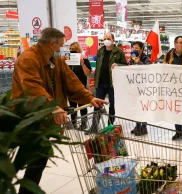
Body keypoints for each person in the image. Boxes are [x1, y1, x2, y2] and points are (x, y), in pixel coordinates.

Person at [11, 27, 108, 194]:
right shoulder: (28, 59)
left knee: (38, 161)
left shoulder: (56, 60)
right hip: (27, 119)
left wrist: (88, 97)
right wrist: (53, 106)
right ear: (51, 44)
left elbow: (72, 81)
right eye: (61, 45)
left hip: (45, 120)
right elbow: (32, 88)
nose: (63, 48)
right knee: (24, 161)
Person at [91, 33, 127, 130]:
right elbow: (98, 67)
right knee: (97, 104)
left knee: (112, 105)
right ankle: (94, 126)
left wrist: (118, 65)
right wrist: (96, 81)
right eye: (105, 39)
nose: (106, 40)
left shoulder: (119, 52)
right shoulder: (100, 51)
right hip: (101, 83)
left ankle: (110, 126)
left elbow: (126, 65)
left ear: (113, 40)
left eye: (108, 38)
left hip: (113, 84)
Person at [63, 42, 92, 130]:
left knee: (82, 106)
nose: (72, 51)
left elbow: (87, 73)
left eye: (74, 49)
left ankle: (83, 124)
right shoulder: (68, 59)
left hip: (81, 87)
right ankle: (73, 123)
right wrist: (63, 61)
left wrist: (82, 63)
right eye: (71, 49)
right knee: (72, 107)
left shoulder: (84, 59)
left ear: (78, 49)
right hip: (70, 87)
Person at [129, 41, 150, 136]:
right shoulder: (132, 59)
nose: (135, 50)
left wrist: (140, 63)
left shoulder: (146, 58)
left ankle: (144, 127)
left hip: (144, 88)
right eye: (134, 48)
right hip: (134, 87)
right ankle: (137, 126)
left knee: (143, 107)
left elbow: (148, 70)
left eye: (137, 48)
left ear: (142, 49)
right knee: (136, 107)